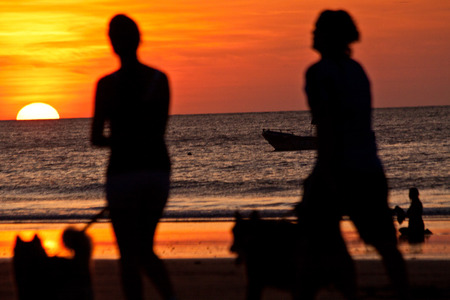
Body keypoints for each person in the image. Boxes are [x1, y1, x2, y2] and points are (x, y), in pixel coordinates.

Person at [297, 10, 410, 299]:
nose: (313, 33)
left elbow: (327, 124)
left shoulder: (318, 73)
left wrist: (322, 173)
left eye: (318, 29)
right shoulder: (358, 71)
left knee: (318, 239)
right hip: (370, 168)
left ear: (329, 36)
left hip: (339, 168)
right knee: (385, 245)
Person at [91, 14, 176, 300]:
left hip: (124, 174)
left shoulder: (105, 85)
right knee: (142, 248)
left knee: (129, 254)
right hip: (156, 171)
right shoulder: (159, 79)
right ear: (139, 40)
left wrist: (122, 138)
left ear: (112, 44)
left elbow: (96, 138)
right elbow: (158, 131)